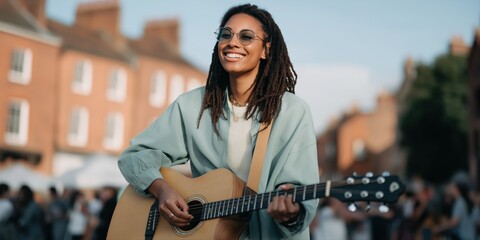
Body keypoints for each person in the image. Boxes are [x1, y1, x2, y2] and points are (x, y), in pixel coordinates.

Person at [118, 3, 319, 239]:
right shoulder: (193, 106)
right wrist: (161, 189)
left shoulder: (292, 112)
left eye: (246, 37)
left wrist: (291, 212)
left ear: (266, 50)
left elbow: (300, 192)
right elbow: (134, 157)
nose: (233, 42)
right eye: (226, 34)